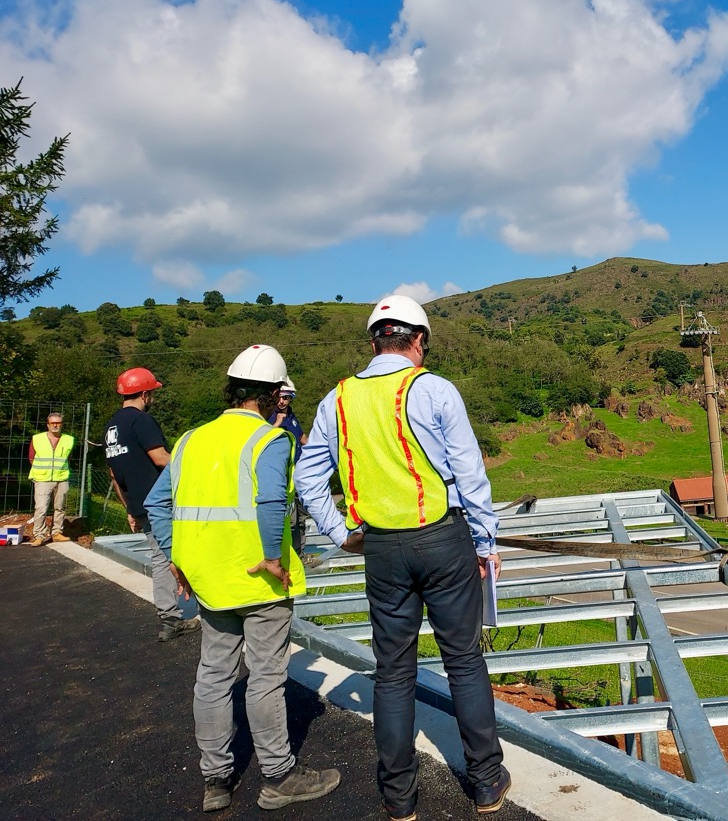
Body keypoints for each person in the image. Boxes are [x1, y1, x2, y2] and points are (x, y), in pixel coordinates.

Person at [296, 295, 509, 820]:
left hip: (382, 548)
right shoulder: (434, 388)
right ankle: (484, 782)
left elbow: (307, 476)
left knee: (392, 673)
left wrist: (343, 533)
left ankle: (399, 798)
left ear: (374, 343)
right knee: (463, 661)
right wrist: (486, 542)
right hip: (443, 539)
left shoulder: (338, 399)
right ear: (419, 341)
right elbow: (469, 473)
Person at [144, 344, 340, 814]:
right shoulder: (269, 440)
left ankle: (216, 781)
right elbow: (272, 502)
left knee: (214, 676)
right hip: (258, 579)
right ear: (274, 394)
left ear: (232, 389)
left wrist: (176, 559)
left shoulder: (190, 440)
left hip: (208, 580)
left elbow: (155, 505)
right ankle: (278, 777)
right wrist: (274, 557)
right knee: (266, 677)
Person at [105, 367, 200, 642]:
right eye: (153, 393)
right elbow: (160, 458)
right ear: (145, 394)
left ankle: (172, 615)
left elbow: (114, 475)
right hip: (163, 502)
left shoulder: (111, 427)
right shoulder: (142, 421)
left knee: (162, 557)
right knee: (171, 557)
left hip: (139, 504)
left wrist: (129, 509)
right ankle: (174, 617)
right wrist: (196, 468)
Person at [268, 378, 316, 566]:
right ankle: (287, 557)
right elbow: (261, 439)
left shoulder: (291, 416)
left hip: (298, 474)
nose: (282, 401)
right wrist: (277, 424)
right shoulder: (270, 416)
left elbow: (302, 438)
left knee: (301, 518)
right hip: (281, 476)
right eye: (280, 397)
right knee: (291, 520)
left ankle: (300, 555)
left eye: (286, 397)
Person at [27, 412, 75, 546]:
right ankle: (39, 535)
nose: (55, 425)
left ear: (62, 424)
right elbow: (31, 458)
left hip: (62, 478)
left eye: (58, 423)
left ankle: (57, 533)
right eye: (52, 423)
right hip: (42, 479)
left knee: (60, 507)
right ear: (48, 425)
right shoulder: (37, 438)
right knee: (41, 508)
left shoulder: (69, 439)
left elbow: (69, 457)